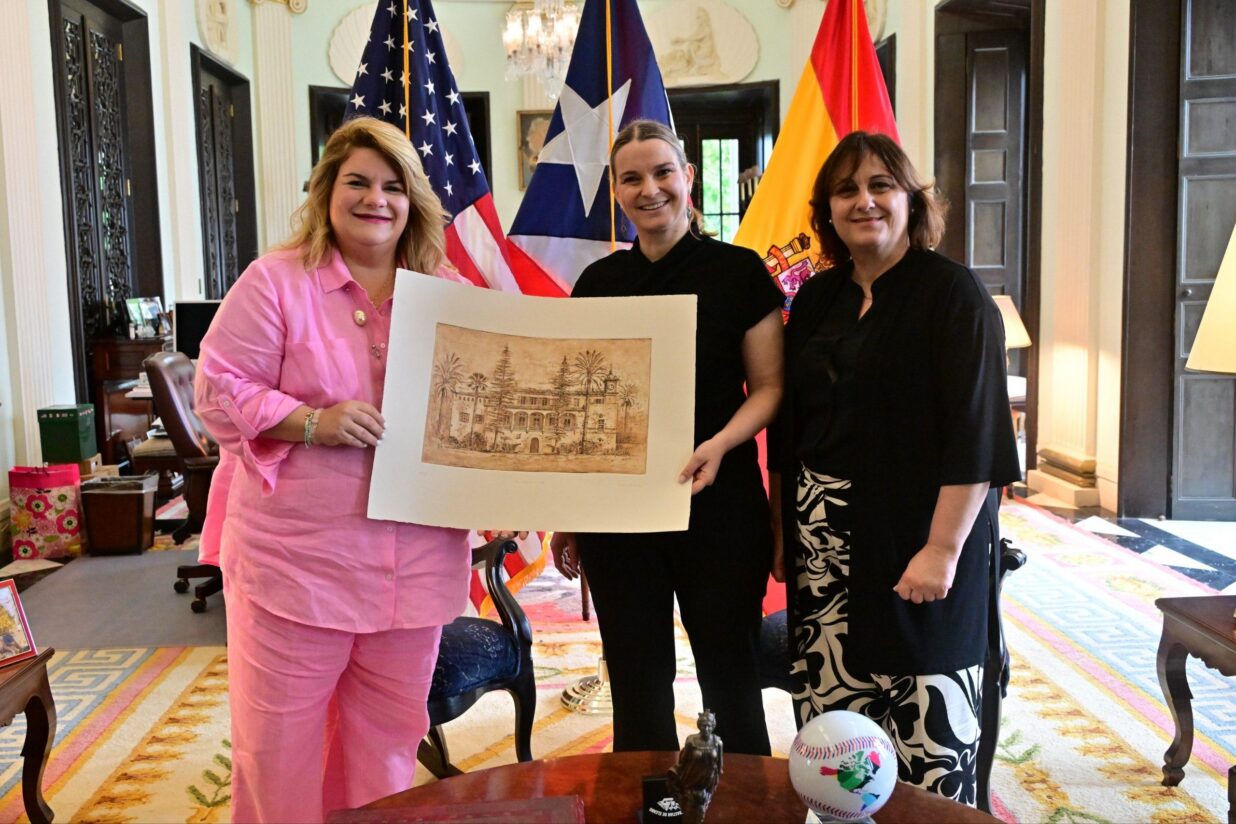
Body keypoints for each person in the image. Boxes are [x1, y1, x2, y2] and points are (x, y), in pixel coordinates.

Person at [194, 116, 511, 822]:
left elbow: (483, 410)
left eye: (393, 186)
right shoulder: (275, 281)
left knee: (388, 749)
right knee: (278, 753)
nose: (376, 199)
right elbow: (216, 391)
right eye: (358, 182)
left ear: (413, 200)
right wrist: (312, 421)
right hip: (298, 570)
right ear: (327, 192)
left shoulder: (445, 290)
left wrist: (507, 482)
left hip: (414, 571)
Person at [770, 131, 1020, 804]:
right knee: (837, 751)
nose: (864, 201)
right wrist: (783, 534)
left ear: (911, 199)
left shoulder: (955, 294)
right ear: (827, 209)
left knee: (927, 746)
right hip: (824, 552)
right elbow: (791, 427)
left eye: (880, 185)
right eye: (846, 190)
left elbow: (976, 434)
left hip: (921, 542)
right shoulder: (815, 299)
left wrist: (942, 550)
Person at [550, 119, 784, 756]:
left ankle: (745, 800)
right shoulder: (597, 284)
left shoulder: (739, 272)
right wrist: (568, 513)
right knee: (636, 681)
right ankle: (652, 799)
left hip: (719, 502)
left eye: (662, 172)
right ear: (617, 193)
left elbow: (769, 387)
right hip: (620, 514)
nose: (649, 189)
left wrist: (721, 443)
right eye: (632, 178)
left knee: (730, 677)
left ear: (689, 177)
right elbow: (579, 409)